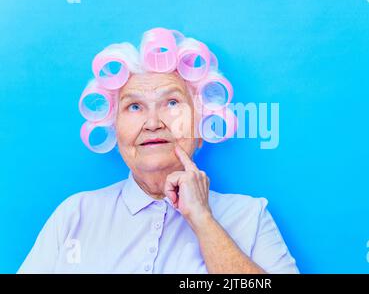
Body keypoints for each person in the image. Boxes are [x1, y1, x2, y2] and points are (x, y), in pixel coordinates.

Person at [18, 28, 299, 274]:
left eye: (172, 103)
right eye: (135, 107)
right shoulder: (74, 215)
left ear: (201, 126)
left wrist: (203, 221)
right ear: (114, 130)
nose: (153, 123)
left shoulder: (249, 216)